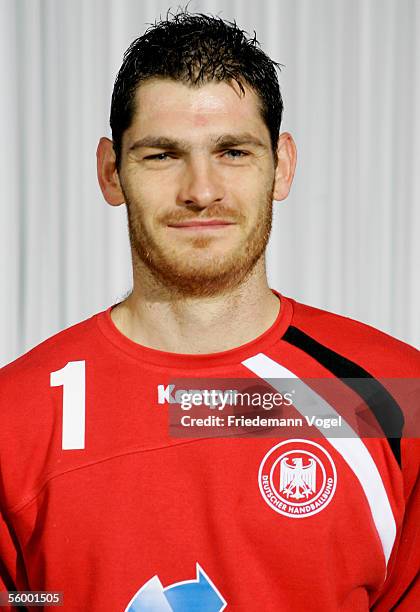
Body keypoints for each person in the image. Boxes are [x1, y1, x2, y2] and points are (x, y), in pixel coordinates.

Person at [0, 9, 418, 611]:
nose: (201, 189)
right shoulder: (16, 417)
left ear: (283, 165)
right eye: (162, 155)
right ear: (110, 171)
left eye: (233, 151)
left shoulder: (394, 395)